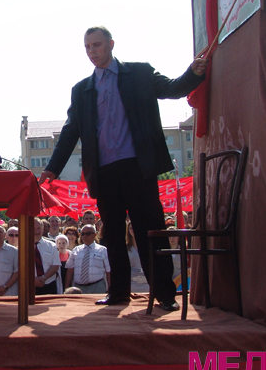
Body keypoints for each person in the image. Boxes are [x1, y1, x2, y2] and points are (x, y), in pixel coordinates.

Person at [40, 26, 207, 310]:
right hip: (104, 171)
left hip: (138, 167)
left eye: (97, 45)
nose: (92, 51)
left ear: (111, 44)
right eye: (87, 47)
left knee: (150, 231)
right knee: (113, 235)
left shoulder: (139, 73)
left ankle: (165, 294)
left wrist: (193, 73)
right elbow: (70, 132)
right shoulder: (81, 90)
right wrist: (53, 168)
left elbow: (172, 88)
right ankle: (118, 293)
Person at [65, 224, 110, 294]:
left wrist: (110, 288)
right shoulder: (76, 250)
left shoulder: (102, 250)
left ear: (95, 235)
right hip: (78, 288)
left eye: (88, 234)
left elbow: (108, 271)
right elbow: (70, 270)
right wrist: (66, 288)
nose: (84, 236)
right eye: (82, 234)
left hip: (97, 287)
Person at [33, 218, 61, 295]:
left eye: (39, 228)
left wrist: (43, 278)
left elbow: (55, 265)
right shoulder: (22, 247)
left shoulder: (52, 245)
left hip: (49, 285)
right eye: (33, 228)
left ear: (42, 229)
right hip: (30, 285)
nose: (36, 231)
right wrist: (33, 280)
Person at [126, 220, 149, 292]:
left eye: (135, 228)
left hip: (146, 283)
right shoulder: (126, 247)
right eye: (131, 228)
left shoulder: (147, 246)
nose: (133, 230)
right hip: (132, 283)